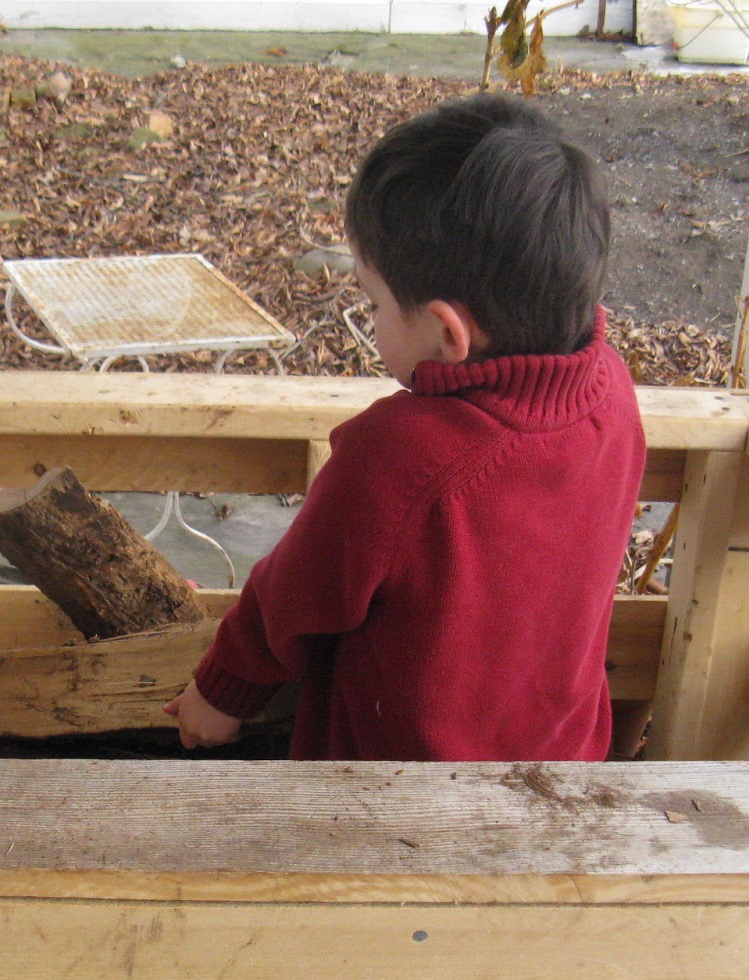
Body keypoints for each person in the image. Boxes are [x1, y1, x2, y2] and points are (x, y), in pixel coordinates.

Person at [164, 93, 646, 761]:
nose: (371, 319)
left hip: (398, 793)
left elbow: (294, 595)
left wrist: (222, 692)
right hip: (558, 765)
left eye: (374, 303)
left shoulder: (401, 454)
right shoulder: (610, 390)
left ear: (448, 332)